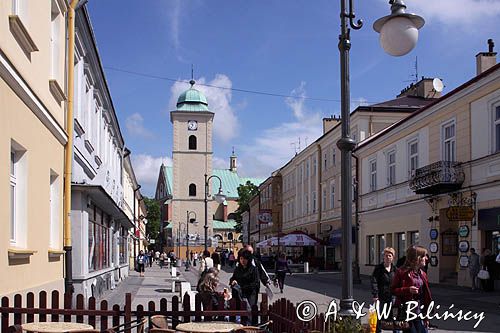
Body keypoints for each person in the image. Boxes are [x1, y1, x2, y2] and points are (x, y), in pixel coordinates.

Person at [391, 246, 432, 333]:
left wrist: (426, 315)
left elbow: (425, 296)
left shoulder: (422, 274)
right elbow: (393, 290)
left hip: (419, 312)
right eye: (424, 256)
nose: (426, 258)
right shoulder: (401, 272)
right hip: (406, 312)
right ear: (417, 258)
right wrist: (407, 290)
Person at [230, 250, 259, 325]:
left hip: (250, 294)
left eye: (245, 259)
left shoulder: (253, 269)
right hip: (239, 294)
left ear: (248, 259)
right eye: (241, 259)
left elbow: (255, 283)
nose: (243, 261)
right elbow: (233, 278)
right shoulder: (238, 269)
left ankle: (250, 326)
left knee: (249, 311)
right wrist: (233, 281)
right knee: (240, 311)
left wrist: (243, 287)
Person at [371, 247, 397, 333]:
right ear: (383, 257)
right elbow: (374, 282)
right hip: (381, 297)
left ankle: (395, 331)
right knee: (379, 316)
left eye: (390, 256)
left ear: (393, 258)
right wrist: (375, 295)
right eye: (386, 256)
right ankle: (378, 331)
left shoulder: (395, 269)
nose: (388, 257)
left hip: (392, 296)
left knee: (394, 316)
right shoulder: (379, 269)